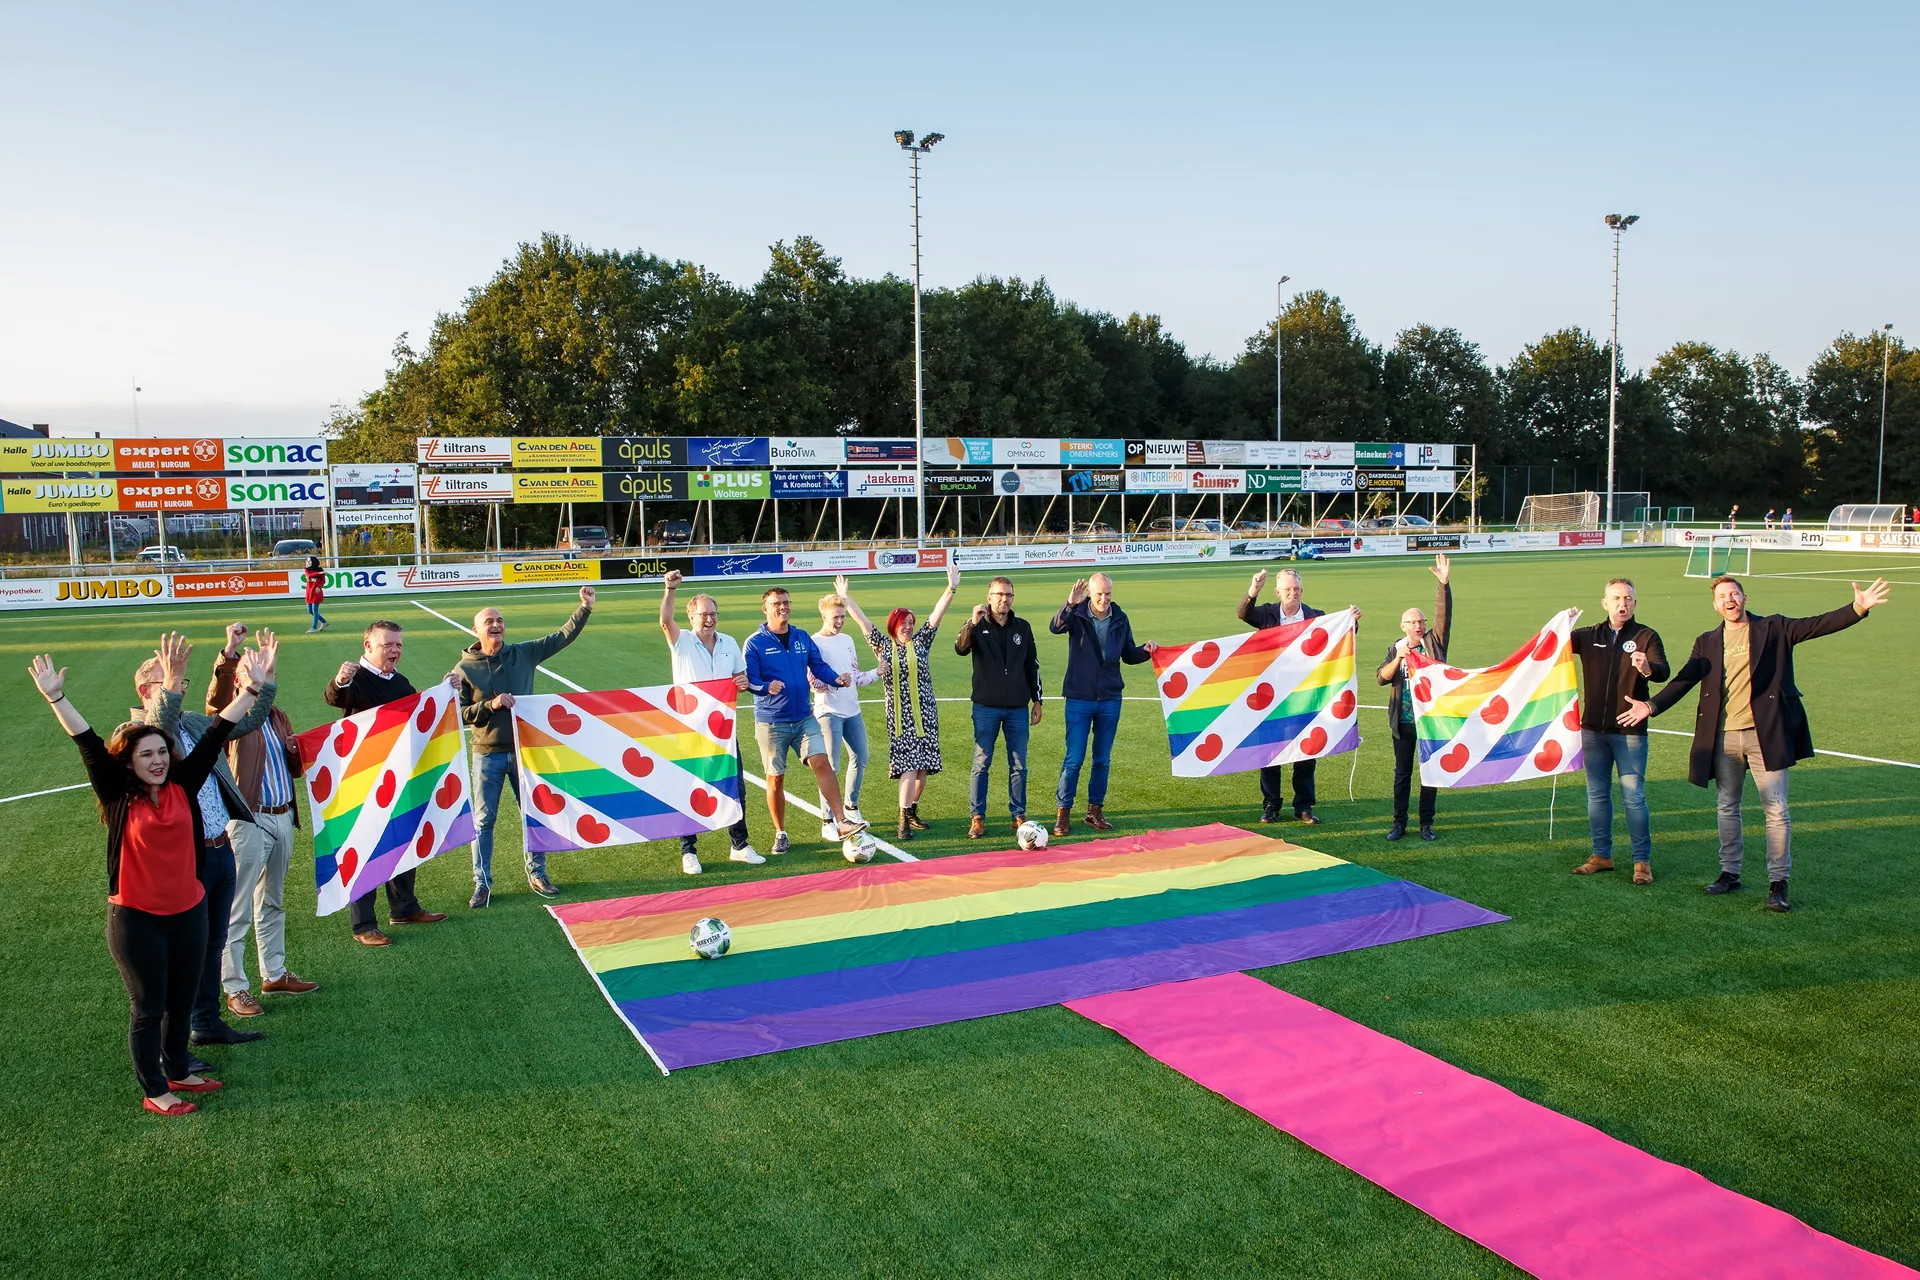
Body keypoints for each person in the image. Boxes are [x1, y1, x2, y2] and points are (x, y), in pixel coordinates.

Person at [35, 634, 271, 1114]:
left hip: (188, 911)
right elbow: (87, 743)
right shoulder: (118, 794)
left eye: (162, 753)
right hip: (137, 919)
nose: (158, 760)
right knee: (150, 1007)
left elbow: (212, 737)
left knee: (181, 1001)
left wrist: (252, 688)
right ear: (129, 762)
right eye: (146, 755)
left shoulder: (183, 783)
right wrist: (56, 697)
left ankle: (180, 1068)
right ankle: (156, 1090)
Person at [1620, 575, 1891, 912]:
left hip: (1767, 735)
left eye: (1734, 593)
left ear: (1744, 598)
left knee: (1776, 810)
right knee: (1726, 806)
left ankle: (1778, 884)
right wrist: (1651, 705)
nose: (1728, 599)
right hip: (1723, 738)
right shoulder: (1706, 641)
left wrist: (1857, 608)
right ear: (1715, 604)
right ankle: (1730, 874)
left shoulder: (1774, 628)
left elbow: (1818, 624)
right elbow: (1685, 680)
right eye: (1722, 596)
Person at [136, 628, 280, 1051]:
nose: (183, 689)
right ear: (150, 689)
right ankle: (179, 1040)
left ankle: (207, 1021)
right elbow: (158, 727)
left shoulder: (196, 723)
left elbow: (249, 720)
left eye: (183, 683)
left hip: (221, 848)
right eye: (175, 683)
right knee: (187, 949)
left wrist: (265, 679)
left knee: (212, 941)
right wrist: (170, 685)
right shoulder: (136, 734)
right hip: (184, 858)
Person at [205, 624, 318, 1017]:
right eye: (251, 673)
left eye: (267, 672)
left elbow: (293, 770)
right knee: (235, 909)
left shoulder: (278, 715)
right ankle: (235, 987)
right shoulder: (227, 719)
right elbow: (216, 699)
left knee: (272, 902)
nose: (261, 677)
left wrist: (292, 752)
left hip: (283, 816)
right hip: (248, 821)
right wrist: (230, 653)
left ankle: (274, 972)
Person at [457, 588, 595, 903]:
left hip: (525, 753)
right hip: (487, 756)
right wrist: (489, 706)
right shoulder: (464, 668)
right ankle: (482, 884)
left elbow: (561, 637)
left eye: (500, 620)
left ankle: (538, 874)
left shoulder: (523, 653)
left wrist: (584, 608)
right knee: (483, 821)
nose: (496, 625)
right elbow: (460, 714)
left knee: (534, 814)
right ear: (477, 630)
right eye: (489, 621)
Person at [326, 620, 454, 937]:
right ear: (367, 645)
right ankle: (363, 924)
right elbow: (336, 698)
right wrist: (340, 680)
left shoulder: (400, 683)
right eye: (388, 645)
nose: (395, 650)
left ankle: (404, 908)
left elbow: (420, 713)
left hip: (398, 777)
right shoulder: (357, 679)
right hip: (363, 780)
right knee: (365, 849)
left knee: (401, 843)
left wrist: (444, 691)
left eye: (398, 644)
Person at [743, 585, 871, 855]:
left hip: (804, 717)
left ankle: (842, 821)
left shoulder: (801, 637)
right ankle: (780, 832)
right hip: (772, 721)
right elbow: (749, 680)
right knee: (775, 778)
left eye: (786, 602)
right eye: (777, 603)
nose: (783, 607)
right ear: (765, 608)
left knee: (822, 762)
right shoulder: (755, 642)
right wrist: (766, 687)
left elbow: (818, 665)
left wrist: (834, 678)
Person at [838, 569, 960, 840]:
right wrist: (847, 600)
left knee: (923, 769)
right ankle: (902, 820)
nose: (908, 627)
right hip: (901, 718)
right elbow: (864, 623)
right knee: (908, 767)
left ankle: (913, 810)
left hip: (926, 714)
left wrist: (950, 589)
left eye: (910, 623)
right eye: (903, 623)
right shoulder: (882, 645)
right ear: (894, 625)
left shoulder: (922, 643)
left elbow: (935, 618)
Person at [658, 570, 763, 874]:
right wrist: (669, 590)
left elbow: (740, 678)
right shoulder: (681, 642)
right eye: (703, 614)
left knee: (735, 788)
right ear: (691, 618)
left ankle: (739, 845)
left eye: (713, 613)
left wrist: (742, 682)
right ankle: (688, 851)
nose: (709, 619)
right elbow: (665, 620)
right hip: (690, 729)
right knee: (691, 789)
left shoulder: (729, 642)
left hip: (723, 730)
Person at [1569, 580, 1669, 884]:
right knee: (1597, 796)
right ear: (1605, 603)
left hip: (1630, 733)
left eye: (1627, 598)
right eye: (1616, 598)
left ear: (1635, 603)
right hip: (1593, 732)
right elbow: (1549, 649)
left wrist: (1646, 668)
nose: (1622, 603)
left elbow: (1663, 671)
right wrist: (1563, 623)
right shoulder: (1587, 635)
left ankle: (1642, 862)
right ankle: (1602, 855)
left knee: (1633, 798)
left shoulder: (1646, 636)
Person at [1237, 567, 1354, 825]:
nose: (1293, 593)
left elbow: (1340, 636)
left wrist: (1352, 621)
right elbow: (1244, 613)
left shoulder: (1316, 617)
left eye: (1297, 589)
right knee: (1269, 753)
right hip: (1270, 695)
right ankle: (1271, 805)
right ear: (1278, 592)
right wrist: (1253, 589)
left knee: (1306, 752)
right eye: (1288, 589)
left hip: (1306, 695)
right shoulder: (1267, 613)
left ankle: (1304, 806)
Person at [1049, 572, 1158, 837]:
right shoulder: (1076, 613)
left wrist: (1146, 650)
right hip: (1079, 698)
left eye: (1108, 593)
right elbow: (1055, 627)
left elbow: (1128, 655)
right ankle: (1063, 814)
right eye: (1099, 593)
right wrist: (1070, 604)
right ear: (1090, 593)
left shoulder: (1120, 617)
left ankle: (1094, 811)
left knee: (1102, 760)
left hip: (1110, 699)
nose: (1104, 599)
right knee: (1073, 759)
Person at [955, 575, 1042, 839]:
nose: (1004, 599)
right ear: (989, 597)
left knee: (1019, 765)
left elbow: (1032, 666)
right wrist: (972, 622)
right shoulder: (977, 624)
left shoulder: (1022, 627)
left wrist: (1037, 701)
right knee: (981, 763)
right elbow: (960, 648)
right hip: (985, 707)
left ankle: (1018, 815)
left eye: (1008, 595)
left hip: (1017, 707)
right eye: (999, 595)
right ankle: (977, 817)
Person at [1377, 555, 1453, 842]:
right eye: (1413, 622)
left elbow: (1443, 618)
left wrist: (1443, 585)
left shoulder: (1434, 644)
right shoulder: (1394, 649)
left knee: (1429, 773)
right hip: (1404, 722)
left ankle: (1426, 823)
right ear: (1403, 626)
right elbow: (1381, 678)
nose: (1419, 625)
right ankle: (1398, 823)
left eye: (1421, 621)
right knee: (1402, 775)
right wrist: (1398, 658)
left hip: (1430, 720)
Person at [810, 590, 879, 842]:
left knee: (861, 757)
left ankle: (851, 807)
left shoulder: (847, 640)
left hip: (853, 710)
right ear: (823, 615)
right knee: (830, 767)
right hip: (828, 712)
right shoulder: (814, 642)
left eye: (842, 616)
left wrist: (877, 671)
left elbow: (856, 676)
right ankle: (827, 820)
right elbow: (812, 682)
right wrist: (835, 682)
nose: (839, 621)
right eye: (835, 617)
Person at [302, 556, 327, 633]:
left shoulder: (320, 570)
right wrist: (319, 573)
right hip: (309, 592)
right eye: (307, 561)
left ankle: (314, 627)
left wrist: (318, 587)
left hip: (316, 592)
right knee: (310, 610)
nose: (308, 563)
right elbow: (309, 576)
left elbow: (323, 581)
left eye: (309, 561)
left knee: (315, 610)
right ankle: (324, 622)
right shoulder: (307, 570)